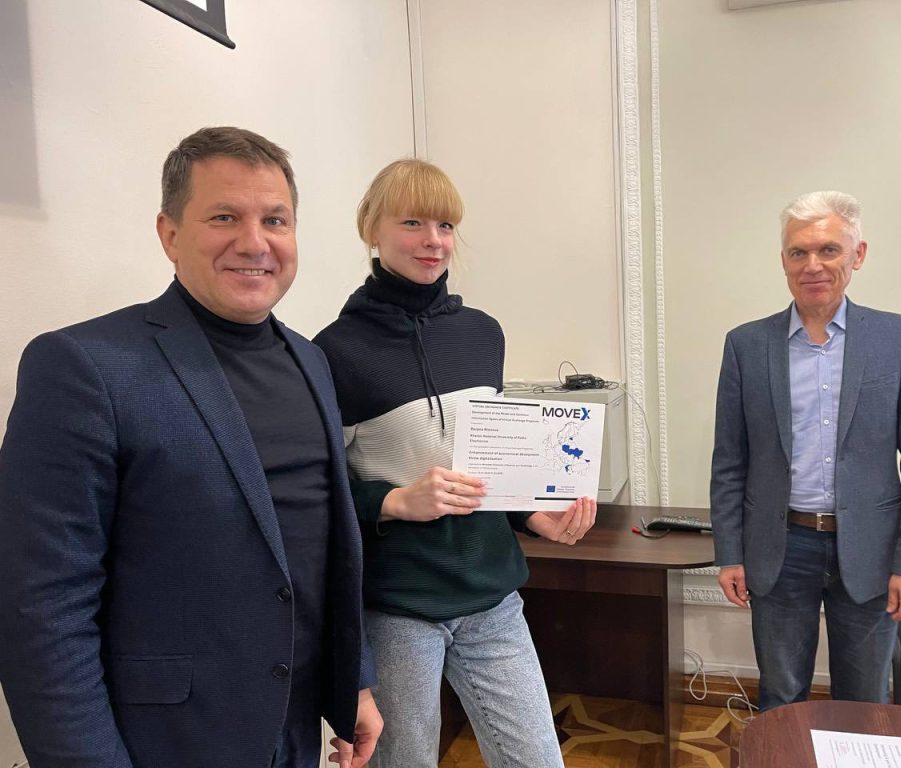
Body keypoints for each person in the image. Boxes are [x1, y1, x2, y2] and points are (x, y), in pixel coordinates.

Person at [0, 127, 382, 768]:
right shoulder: (83, 366)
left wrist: (355, 682)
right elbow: (40, 607)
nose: (254, 242)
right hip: (166, 742)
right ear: (170, 233)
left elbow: (319, 547)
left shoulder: (312, 361)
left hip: (293, 731)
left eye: (275, 220)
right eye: (224, 217)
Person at [314, 158, 596, 768]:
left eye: (445, 225)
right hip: (398, 606)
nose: (434, 241)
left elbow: (488, 462)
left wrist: (532, 516)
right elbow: (318, 492)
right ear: (372, 229)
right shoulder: (334, 352)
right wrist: (394, 501)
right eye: (412, 222)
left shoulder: (481, 334)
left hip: (492, 593)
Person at [710, 190, 901, 710]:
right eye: (799, 252)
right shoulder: (746, 345)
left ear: (857, 255)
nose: (812, 265)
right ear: (783, 261)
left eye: (828, 250)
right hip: (780, 547)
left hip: (871, 551)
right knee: (781, 695)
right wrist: (729, 553)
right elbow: (729, 462)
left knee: (864, 700)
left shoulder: (899, 339)